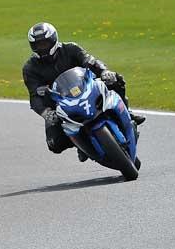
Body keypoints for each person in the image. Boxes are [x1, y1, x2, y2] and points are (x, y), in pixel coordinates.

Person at [22, 22, 146, 161]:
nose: (42, 48)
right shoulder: (30, 68)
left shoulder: (71, 49)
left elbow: (90, 60)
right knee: (55, 144)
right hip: (59, 104)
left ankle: (126, 113)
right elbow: (34, 96)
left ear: (53, 39)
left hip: (86, 89)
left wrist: (104, 71)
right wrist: (46, 113)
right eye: (38, 45)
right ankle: (81, 145)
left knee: (116, 80)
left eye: (44, 43)